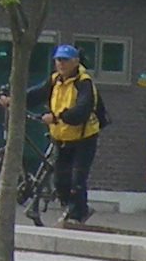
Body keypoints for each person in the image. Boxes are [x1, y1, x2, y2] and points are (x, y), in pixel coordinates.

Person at [24, 43, 106, 226]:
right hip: (61, 138)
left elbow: (81, 110)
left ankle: (77, 215)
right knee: (60, 181)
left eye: (65, 60)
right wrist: (14, 97)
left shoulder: (84, 83)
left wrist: (57, 116)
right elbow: (35, 94)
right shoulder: (55, 80)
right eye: (58, 60)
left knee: (77, 178)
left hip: (84, 139)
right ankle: (70, 209)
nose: (60, 64)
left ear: (75, 61)